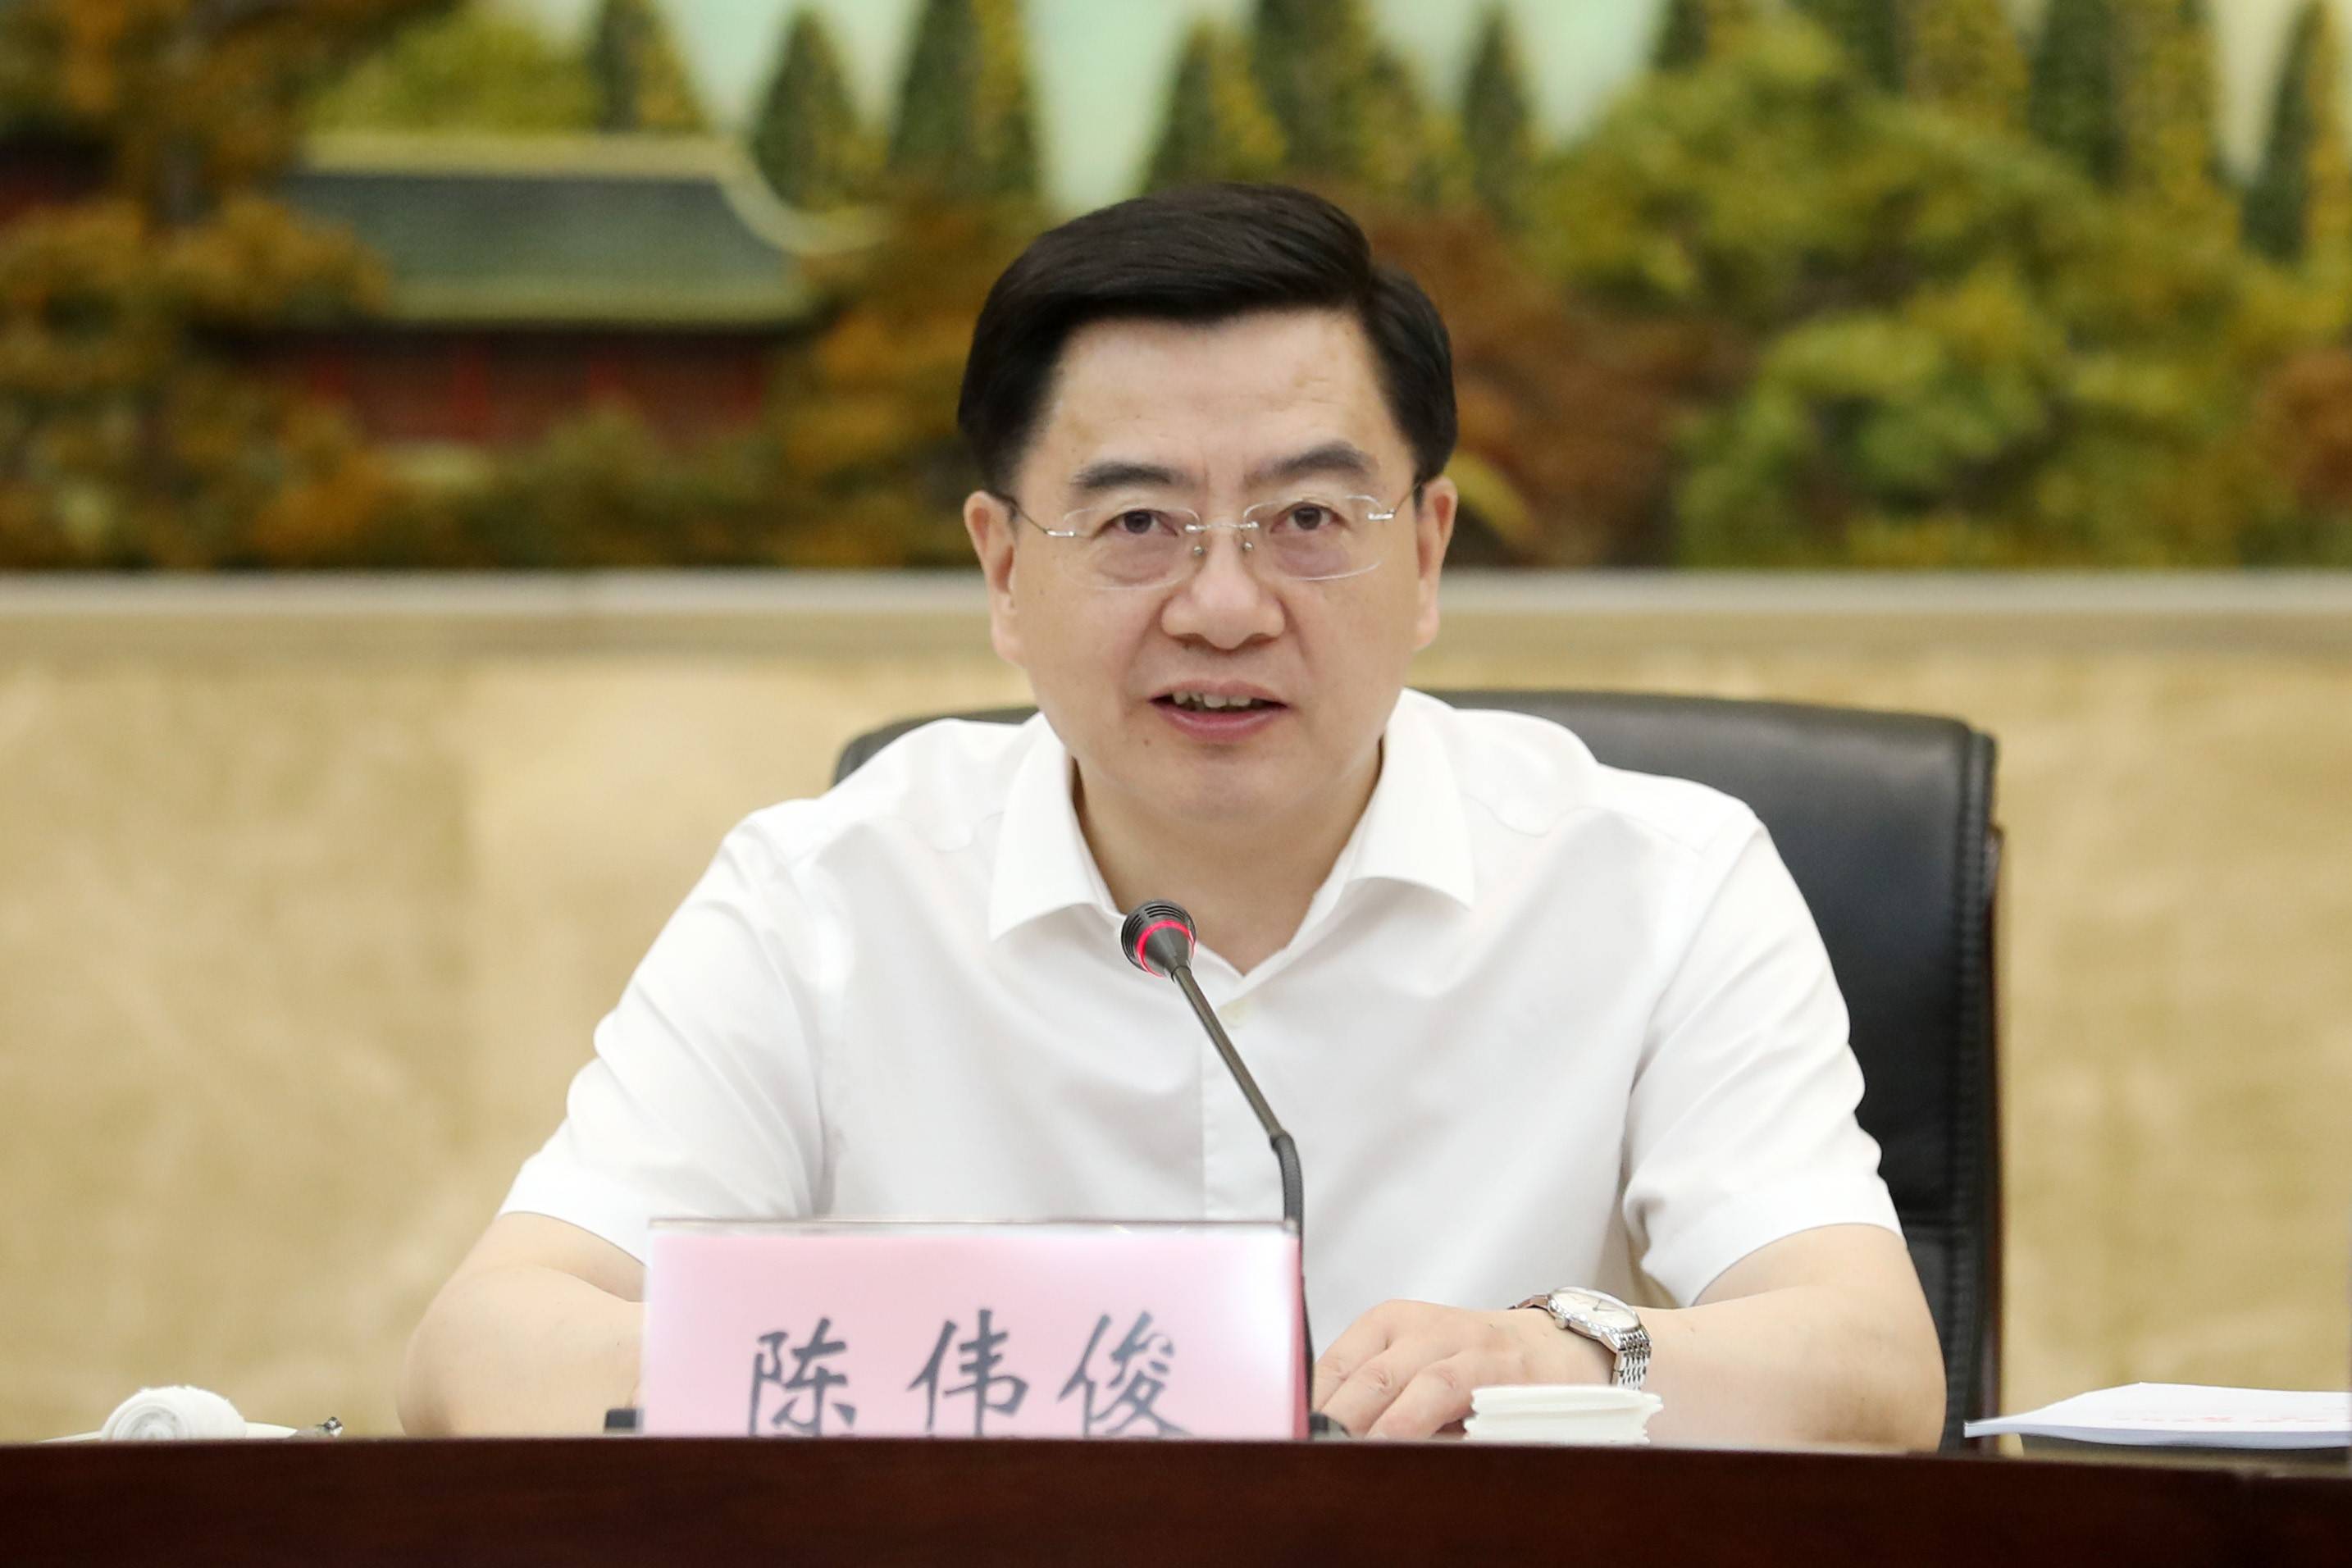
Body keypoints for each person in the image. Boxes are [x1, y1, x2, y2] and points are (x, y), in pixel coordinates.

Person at [398, 184, 1945, 1447]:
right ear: (1006, 569)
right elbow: (482, 1356)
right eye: (1139, 522)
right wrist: (958, 1376)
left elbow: (1873, 1372)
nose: (1223, 605)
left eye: (1308, 519)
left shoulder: (1662, 882)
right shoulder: (825, 899)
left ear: (1427, 553)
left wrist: (1561, 1358)